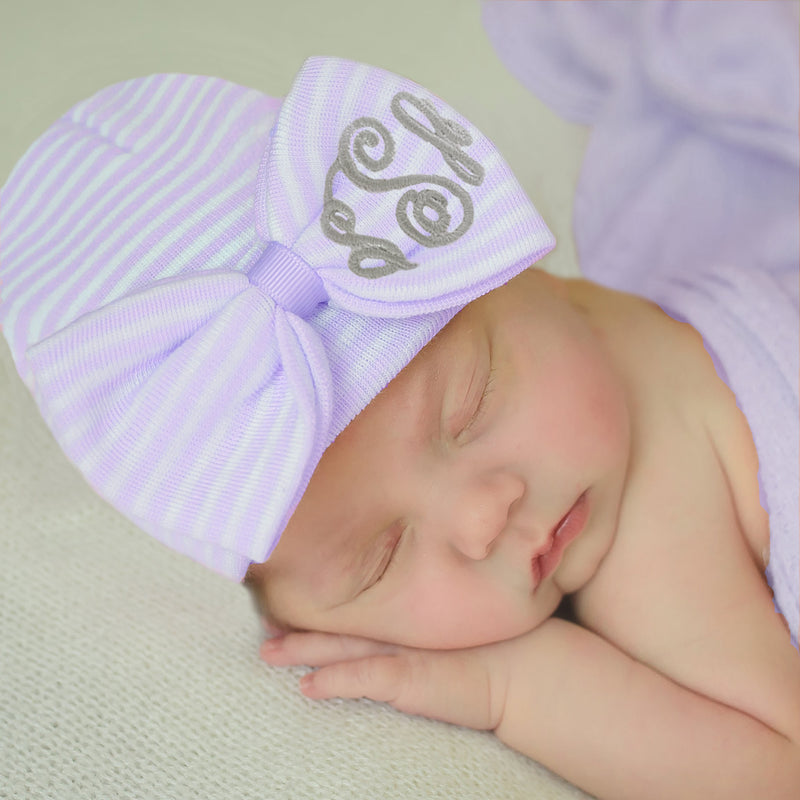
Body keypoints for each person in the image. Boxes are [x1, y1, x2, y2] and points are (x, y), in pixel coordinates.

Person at [1, 41, 797, 800]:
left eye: (471, 404)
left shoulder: (652, 553)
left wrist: (516, 688)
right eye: (380, 560)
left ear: (518, 264)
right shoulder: (579, 321)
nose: (485, 518)